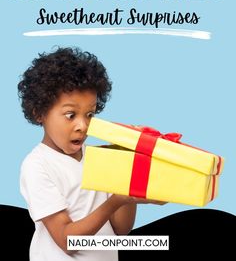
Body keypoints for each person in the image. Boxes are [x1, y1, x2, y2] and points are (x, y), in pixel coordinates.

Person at [18, 47, 165, 261]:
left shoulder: (98, 158)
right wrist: (115, 201)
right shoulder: (37, 165)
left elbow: (121, 229)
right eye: (70, 115)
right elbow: (68, 242)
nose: (83, 125)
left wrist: (127, 180)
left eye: (89, 114)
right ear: (39, 112)